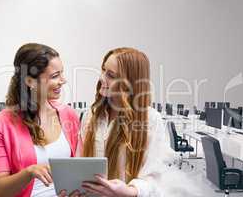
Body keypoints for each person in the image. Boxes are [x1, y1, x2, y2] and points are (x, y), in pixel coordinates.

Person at [63, 47, 170, 197]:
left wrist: (130, 191)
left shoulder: (150, 120)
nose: (101, 78)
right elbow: (80, 162)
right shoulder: (91, 114)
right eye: (103, 70)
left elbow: (154, 178)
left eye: (111, 75)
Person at [0, 43, 80, 197]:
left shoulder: (69, 115)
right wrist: (29, 173)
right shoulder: (0, 124)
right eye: (54, 76)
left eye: (61, 73)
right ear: (30, 81)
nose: (63, 81)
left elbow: (78, 168)